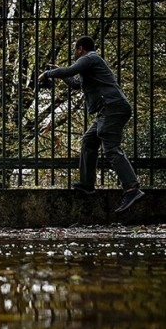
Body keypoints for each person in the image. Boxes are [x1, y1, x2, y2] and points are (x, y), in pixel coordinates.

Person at [39, 35, 144, 213]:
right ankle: (87, 184)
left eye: (75, 50)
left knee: (111, 148)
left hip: (113, 107)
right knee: (89, 140)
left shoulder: (90, 58)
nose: (74, 53)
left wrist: (48, 74)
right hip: (107, 109)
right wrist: (60, 73)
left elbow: (71, 70)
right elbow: (75, 83)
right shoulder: (90, 67)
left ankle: (132, 188)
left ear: (80, 49)